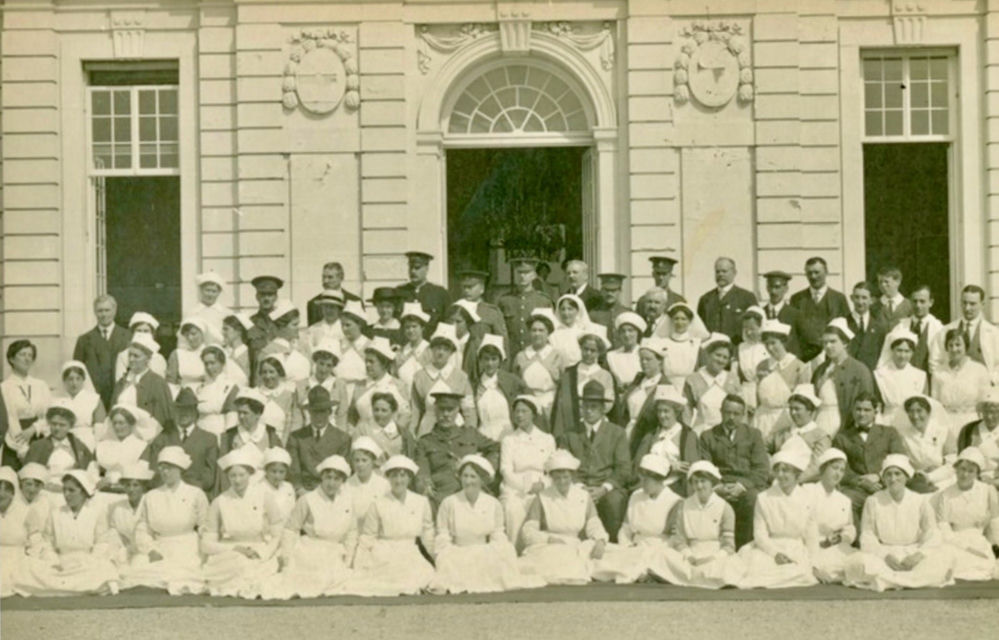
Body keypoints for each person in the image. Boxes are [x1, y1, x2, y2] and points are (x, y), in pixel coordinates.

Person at [430, 454, 542, 594]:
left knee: (505, 552)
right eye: (465, 476)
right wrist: (445, 553)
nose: (468, 481)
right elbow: (443, 535)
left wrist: (503, 550)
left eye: (473, 476)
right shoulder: (449, 503)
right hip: (459, 553)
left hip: (484, 551)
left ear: (482, 480)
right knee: (448, 562)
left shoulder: (493, 503)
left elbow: (497, 533)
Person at [844, 454, 954, 591]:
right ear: (883, 478)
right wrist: (885, 556)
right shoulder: (873, 501)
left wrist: (918, 556)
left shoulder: (920, 500)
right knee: (857, 562)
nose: (893, 479)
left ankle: (886, 581)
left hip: (913, 553)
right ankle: (912, 580)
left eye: (897, 474)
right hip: (884, 555)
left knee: (944, 557)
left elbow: (933, 533)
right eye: (888, 474)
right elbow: (867, 536)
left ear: (906, 477)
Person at [260, 454, 358, 600]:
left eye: (336, 479)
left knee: (345, 580)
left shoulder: (347, 502)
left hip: (336, 551)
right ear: (322, 478)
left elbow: (351, 532)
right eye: (328, 477)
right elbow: (291, 529)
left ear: (343, 481)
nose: (331, 483)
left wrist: (348, 559)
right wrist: (286, 559)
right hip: (311, 551)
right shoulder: (307, 499)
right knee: (313, 580)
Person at [14, 470, 120, 596]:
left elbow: (102, 542)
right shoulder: (55, 513)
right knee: (28, 565)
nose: (66, 494)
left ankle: (63, 588)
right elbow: (47, 543)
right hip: (61, 564)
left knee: (104, 567)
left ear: (84, 492)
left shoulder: (97, 513)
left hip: (86, 564)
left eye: (71, 490)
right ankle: (76, 587)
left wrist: (90, 560)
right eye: (64, 490)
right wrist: (54, 562)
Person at [121, 447, 208, 594]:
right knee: (137, 567)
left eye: (169, 468)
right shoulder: (151, 496)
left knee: (185, 573)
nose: (164, 472)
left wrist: (205, 547)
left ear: (179, 469)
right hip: (159, 546)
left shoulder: (196, 494)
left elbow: (205, 525)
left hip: (187, 547)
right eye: (161, 468)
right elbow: (143, 529)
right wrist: (151, 550)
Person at [346, 454, 435, 596]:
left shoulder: (421, 502)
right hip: (384, 554)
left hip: (410, 553)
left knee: (424, 577)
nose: (398, 481)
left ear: (409, 478)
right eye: (394, 476)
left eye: (403, 476)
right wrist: (357, 564)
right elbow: (368, 537)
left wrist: (433, 557)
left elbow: (427, 532)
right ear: (388, 478)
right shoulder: (377, 504)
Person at [201, 447, 283, 598]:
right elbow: (206, 543)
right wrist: (235, 549)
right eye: (232, 476)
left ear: (250, 475)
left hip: (258, 552)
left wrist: (262, 553)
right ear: (227, 477)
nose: (237, 480)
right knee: (239, 564)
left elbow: (277, 533)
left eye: (241, 475)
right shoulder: (219, 501)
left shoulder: (265, 496)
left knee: (255, 571)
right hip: (230, 552)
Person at [519, 450, 609, 584]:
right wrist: (548, 538)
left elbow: (594, 524)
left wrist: (600, 541)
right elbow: (528, 531)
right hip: (551, 546)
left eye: (566, 477)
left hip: (576, 544)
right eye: (557, 478)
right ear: (552, 478)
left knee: (610, 556)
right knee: (558, 560)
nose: (562, 481)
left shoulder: (583, 496)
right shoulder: (542, 497)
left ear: (572, 476)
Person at [649, 461, 744, 589]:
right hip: (690, 556)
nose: (699, 486)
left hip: (715, 557)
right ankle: (703, 578)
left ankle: (692, 578)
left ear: (712, 482)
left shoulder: (725, 508)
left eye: (703, 481)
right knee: (662, 555)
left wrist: (713, 558)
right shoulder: (683, 505)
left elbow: (728, 546)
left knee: (732, 564)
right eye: (695, 482)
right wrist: (689, 556)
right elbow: (679, 540)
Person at [555, 380, 630, 542]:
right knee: (570, 501)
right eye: (585, 406)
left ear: (603, 409)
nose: (589, 411)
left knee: (614, 502)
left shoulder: (617, 433)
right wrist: (581, 487)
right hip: (577, 485)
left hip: (607, 487)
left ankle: (613, 546)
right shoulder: (570, 434)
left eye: (594, 407)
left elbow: (623, 468)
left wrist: (604, 488)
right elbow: (563, 466)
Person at [592, 454, 683, 584]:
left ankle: (646, 571)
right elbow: (625, 529)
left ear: (659, 480)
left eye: (647, 480)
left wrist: (650, 551)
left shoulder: (674, 501)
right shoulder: (636, 495)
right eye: (642, 479)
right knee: (596, 554)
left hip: (658, 551)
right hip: (632, 548)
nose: (643, 483)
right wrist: (627, 546)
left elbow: (674, 539)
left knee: (644, 562)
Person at [735, 449, 819, 589]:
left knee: (802, 571)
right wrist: (775, 554)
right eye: (777, 470)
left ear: (796, 474)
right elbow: (760, 535)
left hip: (795, 548)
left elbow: (812, 535)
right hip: (768, 548)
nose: (780, 475)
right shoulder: (763, 498)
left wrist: (815, 564)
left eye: (785, 471)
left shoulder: (808, 498)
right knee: (755, 568)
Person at [697, 394, 768, 548]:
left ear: (743, 415)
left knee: (753, 499)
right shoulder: (708, 436)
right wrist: (717, 487)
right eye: (728, 412)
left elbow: (761, 469)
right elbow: (705, 468)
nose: (731, 417)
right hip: (718, 485)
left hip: (746, 486)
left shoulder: (753, 435)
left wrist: (742, 486)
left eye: (736, 414)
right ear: (720, 412)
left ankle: (745, 549)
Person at [414, 384, 499, 510]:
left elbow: (496, 448)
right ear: (435, 411)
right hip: (442, 494)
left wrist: (483, 470)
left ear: (457, 410)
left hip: (472, 489)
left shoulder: (470, 434)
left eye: (450, 409)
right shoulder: (426, 441)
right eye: (442, 409)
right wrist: (425, 485)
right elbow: (422, 472)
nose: (446, 414)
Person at [833, 392, 907, 525]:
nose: (861, 414)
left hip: (886, 485)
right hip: (858, 489)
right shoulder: (842, 437)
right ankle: (858, 540)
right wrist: (862, 482)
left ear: (875, 411)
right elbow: (841, 468)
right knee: (845, 500)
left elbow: (899, 460)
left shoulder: (889, 433)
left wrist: (879, 476)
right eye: (858, 409)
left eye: (867, 410)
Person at [931, 447, 999, 581]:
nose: (965, 475)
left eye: (971, 471)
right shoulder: (945, 494)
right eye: (962, 469)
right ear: (956, 469)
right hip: (954, 541)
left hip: (979, 540)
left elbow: (996, 521)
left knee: (986, 565)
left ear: (977, 473)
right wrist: (965, 547)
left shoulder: (987, 490)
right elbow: (944, 528)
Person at [499, 396, 556, 547]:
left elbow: (552, 469)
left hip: (542, 485)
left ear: (534, 414)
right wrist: (526, 486)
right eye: (517, 411)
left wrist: (543, 484)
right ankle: (514, 551)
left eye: (524, 411)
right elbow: (506, 469)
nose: (519, 415)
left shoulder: (547, 439)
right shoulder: (509, 440)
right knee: (513, 508)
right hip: (515, 487)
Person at [142, 389, 218, 496]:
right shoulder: (162, 438)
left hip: (194, 495)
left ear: (196, 412)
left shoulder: (209, 439)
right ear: (174, 411)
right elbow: (154, 471)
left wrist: (187, 488)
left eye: (188, 408)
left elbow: (209, 477)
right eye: (180, 408)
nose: (184, 413)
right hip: (166, 494)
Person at [811, 318, 875, 438]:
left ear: (845, 342)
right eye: (825, 343)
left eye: (833, 341)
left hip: (845, 424)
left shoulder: (860, 370)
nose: (828, 346)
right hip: (820, 421)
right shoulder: (820, 370)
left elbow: (867, 404)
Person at [633, 385, 702, 496]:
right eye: (659, 411)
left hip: (676, 486)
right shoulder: (651, 435)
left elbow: (692, 467)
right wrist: (670, 466)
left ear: (676, 412)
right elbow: (638, 464)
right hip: (649, 484)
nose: (662, 415)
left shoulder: (688, 436)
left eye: (666, 411)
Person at [802, 448, 858, 584]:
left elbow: (850, 528)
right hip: (809, 547)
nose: (838, 473)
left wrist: (841, 537)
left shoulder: (844, 500)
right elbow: (804, 527)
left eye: (841, 470)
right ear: (823, 469)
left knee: (861, 563)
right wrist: (822, 543)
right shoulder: (807, 491)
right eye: (834, 468)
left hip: (836, 548)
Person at [410, 324, 476, 438]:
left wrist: (469, 434)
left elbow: (469, 411)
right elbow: (415, 411)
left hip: (456, 430)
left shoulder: (461, 377)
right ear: (431, 349)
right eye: (437, 348)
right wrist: (412, 433)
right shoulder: (419, 377)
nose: (441, 353)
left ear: (451, 353)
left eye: (445, 349)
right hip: (428, 429)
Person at [551, 328, 615, 443]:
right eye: (585, 349)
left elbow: (608, 404)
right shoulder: (569, 374)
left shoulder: (605, 375)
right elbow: (560, 406)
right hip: (570, 423)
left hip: (595, 425)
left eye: (593, 350)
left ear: (599, 352)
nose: (588, 353)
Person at [931, 329, 990, 454]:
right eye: (950, 345)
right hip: (946, 423)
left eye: (958, 345)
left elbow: (985, 401)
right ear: (946, 347)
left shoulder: (979, 370)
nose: (954, 349)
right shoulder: (938, 372)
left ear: (966, 346)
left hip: (971, 421)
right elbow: (935, 404)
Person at [286, 386, 352, 496]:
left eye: (322, 412)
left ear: (329, 412)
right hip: (303, 492)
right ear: (309, 412)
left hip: (330, 492)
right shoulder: (296, 437)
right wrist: (300, 490)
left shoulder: (343, 438)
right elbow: (294, 471)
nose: (318, 416)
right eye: (314, 412)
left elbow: (340, 473)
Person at [930, 284, 999, 383]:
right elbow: (934, 361)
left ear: (982, 304)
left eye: (972, 304)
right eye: (964, 303)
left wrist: (992, 379)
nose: (967, 308)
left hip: (983, 388)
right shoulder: (946, 330)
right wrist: (944, 380)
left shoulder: (993, 333)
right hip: (953, 386)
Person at [73, 295, 132, 410]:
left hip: (120, 396)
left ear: (114, 311)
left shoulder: (127, 337)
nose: (104, 315)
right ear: (95, 312)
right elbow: (77, 371)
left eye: (107, 310)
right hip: (94, 397)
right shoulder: (84, 340)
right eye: (100, 311)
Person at [343, 336, 411, 435]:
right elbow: (352, 417)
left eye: (371, 361)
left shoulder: (398, 385)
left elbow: (406, 415)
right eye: (366, 361)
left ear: (383, 363)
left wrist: (390, 435)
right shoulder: (359, 385)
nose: (367, 365)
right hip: (362, 437)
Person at [789, 257, 851, 362]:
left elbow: (846, 330)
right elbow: (793, 332)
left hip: (832, 356)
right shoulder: (797, 299)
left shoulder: (838, 298)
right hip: (805, 357)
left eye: (817, 272)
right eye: (809, 273)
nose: (813, 276)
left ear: (826, 272)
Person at [110, 333, 175, 431]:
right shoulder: (122, 382)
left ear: (148, 359)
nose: (131, 359)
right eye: (130, 355)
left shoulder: (157, 383)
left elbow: (162, 419)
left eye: (136, 356)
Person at [2, 339, 52, 466]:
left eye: (30, 355)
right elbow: (9, 417)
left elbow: (49, 413)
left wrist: (35, 428)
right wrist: (22, 448)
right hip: (14, 439)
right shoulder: (4, 387)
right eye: (22, 354)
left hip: (39, 436)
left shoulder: (41, 385)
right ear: (11, 359)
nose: (27, 359)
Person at [754, 320, 806, 441]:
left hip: (787, 419)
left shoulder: (799, 366)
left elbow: (804, 401)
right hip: (763, 418)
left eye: (773, 343)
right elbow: (758, 397)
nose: (770, 348)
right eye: (767, 344)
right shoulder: (762, 366)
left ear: (784, 342)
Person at [767, 385, 830, 483]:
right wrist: (772, 468)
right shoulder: (783, 433)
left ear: (810, 411)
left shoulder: (821, 436)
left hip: (805, 484)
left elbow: (816, 466)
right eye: (791, 409)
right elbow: (761, 448)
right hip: (777, 480)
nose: (793, 413)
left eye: (797, 409)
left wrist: (794, 481)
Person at [615, 337, 667, 453]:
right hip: (627, 432)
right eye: (641, 359)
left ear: (659, 361)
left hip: (648, 438)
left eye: (648, 359)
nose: (643, 363)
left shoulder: (665, 385)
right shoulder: (638, 380)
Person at [473, 334, 527, 443]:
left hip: (509, 434)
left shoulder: (511, 380)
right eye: (486, 359)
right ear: (480, 360)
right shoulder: (475, 384)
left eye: (494, 359)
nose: (490, 363)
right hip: (483, 436)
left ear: (500, 361)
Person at [683, 333, 741, 435]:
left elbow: (740, 410)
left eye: (725, 357)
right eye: (718, 355)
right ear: (708, 354)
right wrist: (686, 433)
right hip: (702, 431)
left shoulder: (732, 379)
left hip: (728, 432)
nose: (721, 360)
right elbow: (686, 411)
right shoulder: (693, 379)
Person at [497, 257, 554, 359]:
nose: (523, 276)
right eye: (519, 272)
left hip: (536, 355)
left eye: (527, 272)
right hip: (511, 355)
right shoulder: (505, 300)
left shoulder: (543, 301)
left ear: (534, 275)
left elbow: (550, 332)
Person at [512, 308, 563, 422]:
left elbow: (563, 384)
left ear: (548, 332)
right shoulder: (521, 356)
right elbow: (515, 384)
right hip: (527, 405)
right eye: (533, 330)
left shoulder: (556, 355)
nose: (537, 334)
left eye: (541, 330)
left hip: (550, 405)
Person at [24, 400, 97, 478]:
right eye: (54, 424)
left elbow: (89, 469)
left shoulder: (79, 446)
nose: (57, 428)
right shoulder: (37, 446)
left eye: (62, 425)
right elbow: (29, 473)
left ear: (70, 426)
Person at [0, 465, 43, 597]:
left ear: (13, 493)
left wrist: (31, 560)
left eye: (7, 489)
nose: (1, 494)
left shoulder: (26, 512)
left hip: (18, 559)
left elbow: (36, 541)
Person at [895, 395, 951, 493]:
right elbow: (902, 463)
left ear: (928, 412)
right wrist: (918, 476)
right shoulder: (903, 436)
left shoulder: (943, 431)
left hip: (943, 479)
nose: (915, 416)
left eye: (919, 411)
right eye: (911, 412)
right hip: (917, 481)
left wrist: (932, 476)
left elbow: (953, 463)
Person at [696, 257, 759, 343]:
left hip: (736, 349)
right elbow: (700, 329)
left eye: (724, 271)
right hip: (711, 350)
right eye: (717, 272)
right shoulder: (706, 299)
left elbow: (756, 326)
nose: (720, 274)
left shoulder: (746, 297)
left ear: (734, 273)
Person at [107, 461, 154, 570]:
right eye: (127, 485)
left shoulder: (150, 504)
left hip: (149, 552)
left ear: (143, 487)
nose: (131, 489)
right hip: (126, 552)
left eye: (135, 485)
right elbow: (115, 535)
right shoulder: (118, 508)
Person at [875, 326, 927, 421]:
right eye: (899, 350)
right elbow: (877, 406)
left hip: (912, 420)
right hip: (888, 420)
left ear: (912, 353)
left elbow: (924, 405)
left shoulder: (920, 375)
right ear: (892, 350)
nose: (903, 356)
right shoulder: (880, 374)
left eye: (907, 351)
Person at [219, 389, 283, 464]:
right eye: (239, 412)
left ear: (258, 414)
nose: (241, 416)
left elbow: (279, 463)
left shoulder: (270, 434)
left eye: (245, 413)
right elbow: (222, 466)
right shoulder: (230, 435)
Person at [95, 405, 150, 491]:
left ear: (131, 424)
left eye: (121, 423)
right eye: (115, 423)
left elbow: (141, 470)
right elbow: (96, 469)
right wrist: (99, 480)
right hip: (104, 489)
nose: (117, 427)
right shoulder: (103, 445)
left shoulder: (141, 446)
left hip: (129, 490)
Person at [396, 251, 451, 335]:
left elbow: (448, 321)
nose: (413, 271)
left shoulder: (439, 293)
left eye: (417, 268)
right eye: (410, 267)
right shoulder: (399, 292)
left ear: (426, 268)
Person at [892, 285, 943, 373]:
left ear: (931, 302)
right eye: (915, 301)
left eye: (922, 301)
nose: (918, 305)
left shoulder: (939, 329)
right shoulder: (900, 326)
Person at [457, 269, 509, 350]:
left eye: (470, 287)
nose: (466, 290)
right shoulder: (457, 309)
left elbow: (502, 343)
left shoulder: (491, 312)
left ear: (482, 288)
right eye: (464, 287)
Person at [195, 346, 240, 439]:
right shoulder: (200, 388)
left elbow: (232, 420)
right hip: (200, 432)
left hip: (219, 434)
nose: (209, 367)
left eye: (212, 363)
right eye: (206, 363)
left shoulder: (230, 386)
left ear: (222, 363)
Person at [255, 356, 303, 443]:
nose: (268, 376)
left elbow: (295, 422)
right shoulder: (255, 393)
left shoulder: (289, 394)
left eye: (271, 372)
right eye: (264, 372)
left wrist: (285, 443)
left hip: (282, 441)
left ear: (279, 373)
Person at [956, 390, 999, 486]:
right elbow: (961, 460)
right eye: (986, 412)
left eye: (994, 412)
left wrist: (994, 482)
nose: (989, 416)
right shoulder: (968, 430)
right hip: (972, 478)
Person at [344, 437, 390, 526]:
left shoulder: (384, 485)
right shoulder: (346, 485)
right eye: (356, 460)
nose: (360, 464)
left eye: (364, 460)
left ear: (373, 461)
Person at [59, 360, 107, 444]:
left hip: (87, 441)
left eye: (78, 379)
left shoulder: (94, 399)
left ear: (83, 380)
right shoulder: (58, 400)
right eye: (70, 379)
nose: (74, 383)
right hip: (63, 439)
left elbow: (100, 428)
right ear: (64, 380)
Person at [246, 275, 284, 380]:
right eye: (263, 295)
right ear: (257, 297)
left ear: (276, 297)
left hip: (279, 381)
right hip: (257, 380)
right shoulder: (249, 323)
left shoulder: (284, 323)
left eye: (270, 295)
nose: (266, 298)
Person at [113, 312, 168, 382]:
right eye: (139, 330)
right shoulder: (123, 356)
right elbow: (120, 382)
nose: (142, 334)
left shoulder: (159, 358)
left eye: (146, 331)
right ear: (133, 333)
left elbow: (161, 382)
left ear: (152, 334)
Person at [661, 303, 705, 391]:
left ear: (689, 321)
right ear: (671, 320)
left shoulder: (696, 344)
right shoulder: (663, 343)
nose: (679, 323)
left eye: (683, 319)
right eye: (676, 319)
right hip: (667, 386)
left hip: (690, 387)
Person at [846, 282, 888, 372]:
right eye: (857, 297)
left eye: (864, 298)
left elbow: (883, 356)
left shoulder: (880, 327)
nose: (860, 302)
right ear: (851, 298)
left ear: (872, 300)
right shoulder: (843, 324)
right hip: (847, 375)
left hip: (870, 376)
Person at [357, 392, 412, 460]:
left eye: (384, 410)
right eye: (376, 410)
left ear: (393, 412)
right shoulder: (362, 429)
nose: (379, 414)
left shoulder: (402, 432)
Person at [760, 270, 802, 357]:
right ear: (767, 288)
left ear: (786, 289)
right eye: (770, 287)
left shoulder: (795, 314)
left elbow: (813, 344)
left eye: (777, 287)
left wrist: (797, 360)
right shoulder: (760, 313)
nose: (773, 291)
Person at [734, 306, 769, 412]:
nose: (748, 332)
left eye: (752, 329)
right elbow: (734, 376)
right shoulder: (740, 348)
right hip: (745, 394)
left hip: (766, 393)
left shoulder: (768, 347)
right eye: (745, 328)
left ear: (761, 327)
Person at [306, 262, 361, 326]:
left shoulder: (355, 301)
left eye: (330, 277)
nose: (325, 281)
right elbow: (312, 332)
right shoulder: (313, 304)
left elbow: (361, 331)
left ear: (341, 278)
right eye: (323, 277)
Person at [550, 293, 595, 368]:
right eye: (563, 309)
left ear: (577, 311)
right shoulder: (553, 335)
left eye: (570, 309)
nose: (566, 313)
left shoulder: (585, 333)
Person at [394, 302, 431, 390]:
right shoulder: (400, 353)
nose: (411, 330)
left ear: (422, 328)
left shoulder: (431, 350)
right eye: (407, 327)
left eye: (414, 326)